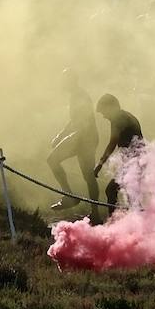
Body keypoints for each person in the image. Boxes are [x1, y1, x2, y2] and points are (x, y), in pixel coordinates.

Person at [46, 74, 100, 211]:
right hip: (82, 137)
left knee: (87, 174)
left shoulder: (80, 95)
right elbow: (75, 120)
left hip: (85, 137)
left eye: (64, 81)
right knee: (87, 175)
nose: (62, 83)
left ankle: (75, 200)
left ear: (71, 81)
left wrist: (67, 137)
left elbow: (84, 120)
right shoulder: (76, 95)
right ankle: (71, 198)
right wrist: (61, 135)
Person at [94, 94, 144, 211]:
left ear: (110, 107)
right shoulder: (127, 116)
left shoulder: (118, 118)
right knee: (132, 196)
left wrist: (100, 164)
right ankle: (134, 223)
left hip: (134, 161)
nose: (104, 116)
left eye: (104, 112)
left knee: (113, 191)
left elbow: (112, 143)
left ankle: (113, 224)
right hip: (138, 159)